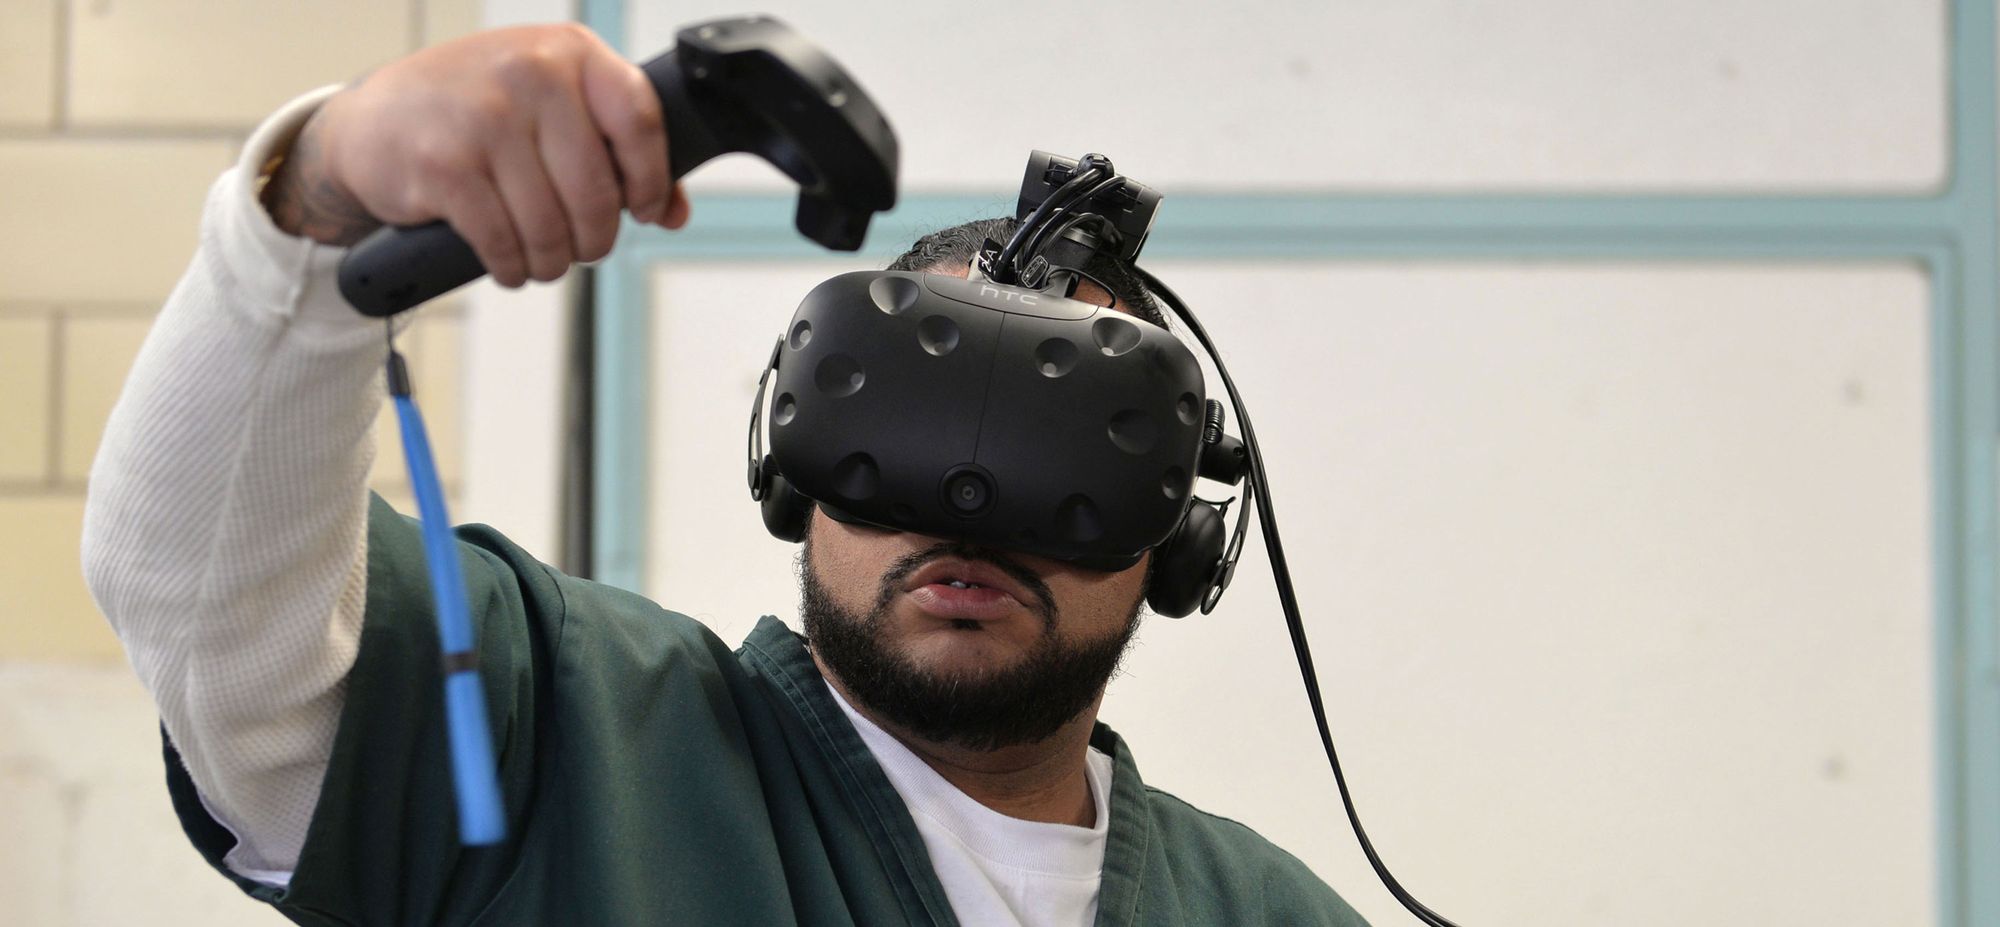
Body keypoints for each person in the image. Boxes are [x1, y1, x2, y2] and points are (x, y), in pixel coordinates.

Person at [82, 23, 1368, 927]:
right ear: (793, 466)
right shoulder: (562, 746)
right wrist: (315, 207)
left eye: (1065, 454)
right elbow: (200, 589)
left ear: (1179, 541)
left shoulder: (1266, 912)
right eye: (905, 430)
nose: (966, 509)